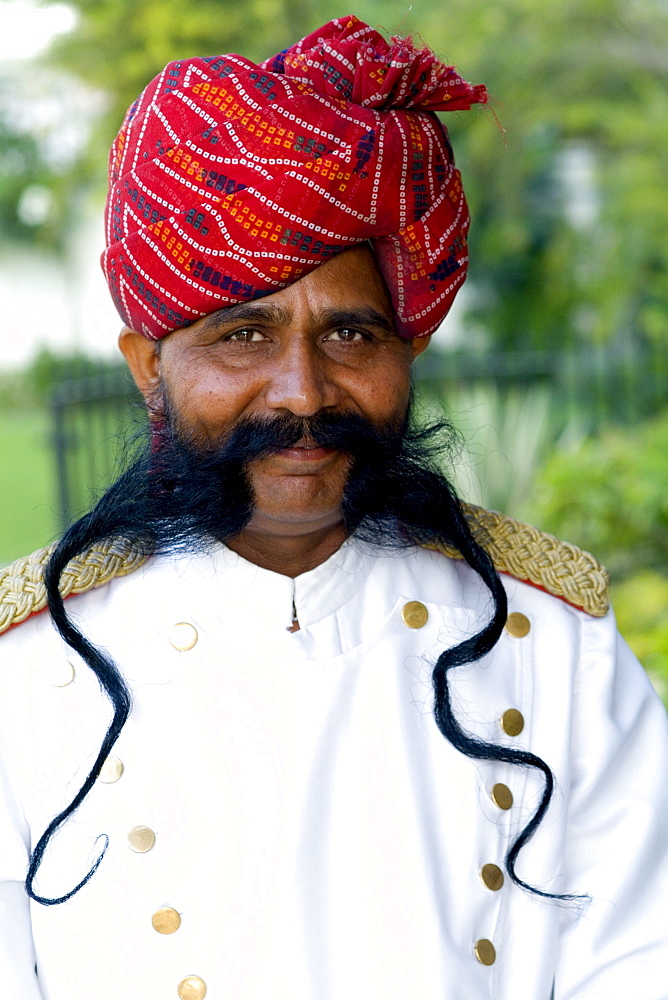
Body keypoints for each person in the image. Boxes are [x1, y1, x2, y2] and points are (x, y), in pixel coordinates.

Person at [0, 16, 666, 1000]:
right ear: (149, 367)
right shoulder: (26, 670)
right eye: (241, 334)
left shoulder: (549, 641)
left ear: (409, 351)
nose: (302, 392)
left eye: (350, 331)